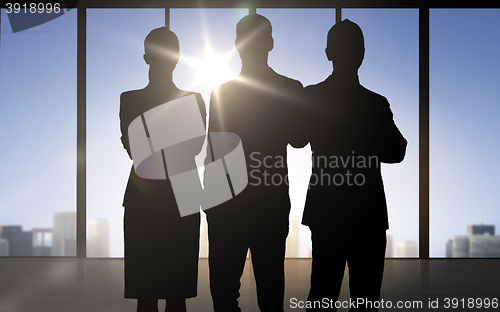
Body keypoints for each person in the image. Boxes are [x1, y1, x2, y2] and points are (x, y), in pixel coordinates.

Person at [204, 14, 307, 312]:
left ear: (237, 45)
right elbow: (299, 140)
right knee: (270, 294)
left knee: (224, 296)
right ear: (270, 43)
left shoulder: (222, 91)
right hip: (269, 203)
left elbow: (216, 150)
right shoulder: (290, 88)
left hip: (229, 205)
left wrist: (211, 206)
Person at [302, 19, 407, 311]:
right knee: (366, 298)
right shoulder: (375, 104)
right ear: (362, 54)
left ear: (328, 53)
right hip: (367, 214)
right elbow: (397, 150)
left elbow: (297, 140)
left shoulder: (312, 96)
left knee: (322, 294)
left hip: (327, 211)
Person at [119, 27, 206, 312]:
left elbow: (189, 147)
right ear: (177, 57)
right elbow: (141, 150)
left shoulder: (131, 101)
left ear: (146, 57)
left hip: (155, 198)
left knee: (159, 295)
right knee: (168, 295)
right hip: (176, 196)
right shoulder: (191, 101)